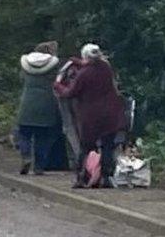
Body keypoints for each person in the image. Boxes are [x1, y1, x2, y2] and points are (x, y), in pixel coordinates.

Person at [54, 43, 127, 188]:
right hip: (111, 115)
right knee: (107, 146)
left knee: (87, 147)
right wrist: (80, 63)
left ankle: (83, 177)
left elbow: (70, 93)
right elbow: (92, 65)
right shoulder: (106, 68)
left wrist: (58, 86)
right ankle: (106, 177)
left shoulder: (84, 74)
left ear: (85, 56)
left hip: (91, 116)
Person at [16, 41, 62, 175]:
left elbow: (21, 79)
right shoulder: (54, 65)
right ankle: (39, 166)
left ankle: (26, 157)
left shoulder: (25, 64)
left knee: (24, 133)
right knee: (42, 137)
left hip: (27, 102)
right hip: (47, 102)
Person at [55, 55, 84, 169]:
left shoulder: (68, 65)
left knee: (69, 128)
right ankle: (80, 159)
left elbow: (58, 81)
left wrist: (58, 89)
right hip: (82, 101)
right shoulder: (95, 67)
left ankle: (77, 159)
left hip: (65, 99)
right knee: (80, 127)